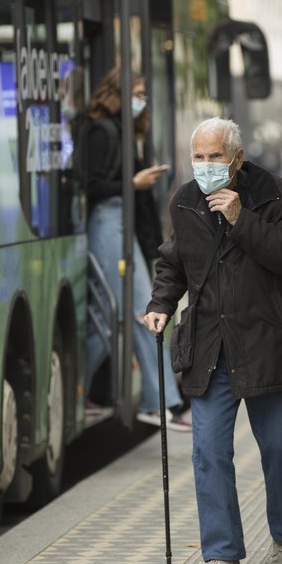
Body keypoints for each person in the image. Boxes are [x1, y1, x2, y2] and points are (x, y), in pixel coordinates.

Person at [143, 117, 282, 564]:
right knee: (208, 453)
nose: (205, 165)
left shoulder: (277, 195)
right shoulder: (184, 200)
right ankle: (222, 557)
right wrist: (160, 304)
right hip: (209, 346)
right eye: (198, 156)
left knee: (281, 448)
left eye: (214, 156)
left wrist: (243, 219)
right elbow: (172, 261)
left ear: (237, 158)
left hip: (266, 344)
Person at [78, 67, 189, 432]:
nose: (141, 99)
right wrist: (133, 182)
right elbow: (90, 186)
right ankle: (162, 403)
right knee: (146, 311)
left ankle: (78, 390)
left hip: (120, 223)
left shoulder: (124, 131)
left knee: (111, 320)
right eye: (136, 91)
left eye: (143, 92)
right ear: (116, 91)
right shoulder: (102, 130)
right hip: (107, 223)